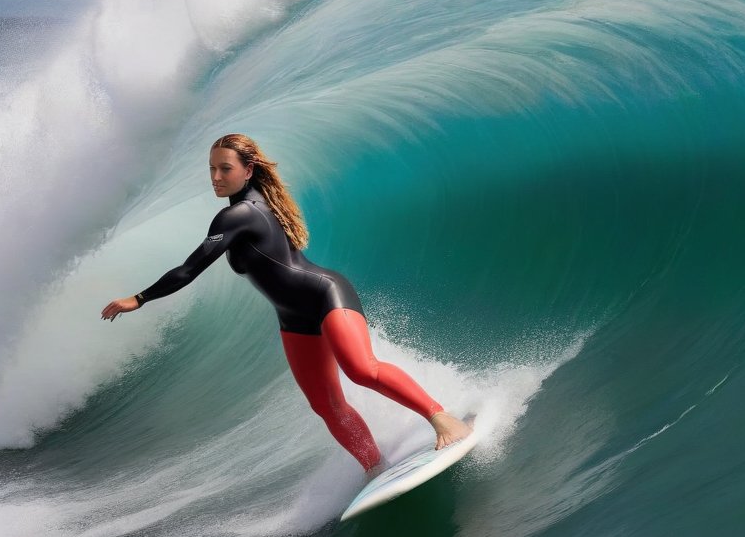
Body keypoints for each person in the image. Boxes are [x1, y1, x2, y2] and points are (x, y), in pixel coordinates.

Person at [101, 133, 472, 473]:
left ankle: (442, 418)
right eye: (211, 168)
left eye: (225, 168)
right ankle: (373, 465)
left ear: (248, 170)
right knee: (326, 405)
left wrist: (139, 298)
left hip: (325, 295)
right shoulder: (248, 206)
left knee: (361, 369)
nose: (215, 176)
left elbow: (188, 270)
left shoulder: (238, 214)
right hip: (293, 316)